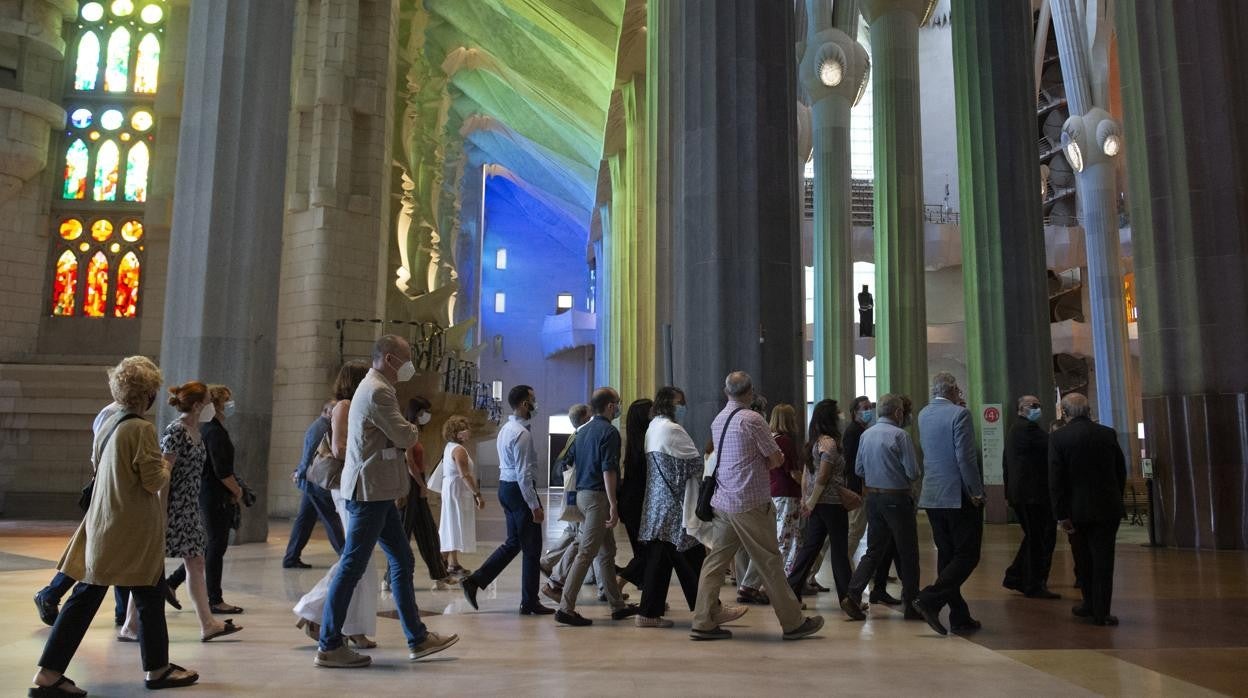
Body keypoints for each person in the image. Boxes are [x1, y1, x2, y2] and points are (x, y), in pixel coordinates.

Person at [30, 356, 199, 695]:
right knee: (89, 597)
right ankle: (48, 676)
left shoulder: (109, 421)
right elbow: (152, 482)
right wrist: (166, 465)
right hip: (130, 530)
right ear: (147, 393)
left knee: (147, 594)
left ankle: (157, 667)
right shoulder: (141, 428)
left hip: (108, 524)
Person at [316, 336, 458, 668]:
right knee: (352, 565)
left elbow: (398, 437)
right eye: (407, 358)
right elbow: (406, 436)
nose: (411, 365)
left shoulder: (376, 388)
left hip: (378, 491)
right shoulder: (378, 391)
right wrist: (408, 432)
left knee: (402, 561)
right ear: (390, 359)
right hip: (369, 493)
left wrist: (403, 434)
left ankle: (417, 638)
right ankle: (329, 643)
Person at [689, 372, 824, 642]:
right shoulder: (753, 419)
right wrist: (776, 457)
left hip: (723, 502)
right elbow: (775, 460)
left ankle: (703, 620)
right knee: (770, 562)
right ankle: (793, 622)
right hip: (750, 502)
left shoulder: (718, 420)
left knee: (715, 562)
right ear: (750, 392)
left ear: (726, 391)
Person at [636, 387, 745, 628]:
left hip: (657, 505)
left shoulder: (653, 427)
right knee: (692, 559)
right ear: (667, 403)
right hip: (676, 507)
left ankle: (649, 612)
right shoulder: (672, 429)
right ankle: (710, 609)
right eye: (679, 402)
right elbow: (695, 465)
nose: (683, 406)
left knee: (660, 560)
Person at [35, 400, 141, 628]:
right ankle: (50, 594)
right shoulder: (114, 414)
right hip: (110, 493)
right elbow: (100, 454)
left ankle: (122, 612)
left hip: (116, 494)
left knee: (117, 551)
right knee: (99, 552)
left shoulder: (124, 414)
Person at [294, 361, 377, 650]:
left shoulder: (359, 404)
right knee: (357, 560)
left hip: (360, 486)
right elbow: (341, 448)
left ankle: (345, 624)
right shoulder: (344, 406)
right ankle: (316, 611)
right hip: (347, 487)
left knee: (361, 562)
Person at [158, 381, 242, 642]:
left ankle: (207, 624)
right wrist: (161, 514)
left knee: (196, 562)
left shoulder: (196, 430)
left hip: (190, 508)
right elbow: (164, 475)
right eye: (207, 401)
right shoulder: (176, 431)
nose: (211, 406)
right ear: (196, 405)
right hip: (174, 509)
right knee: (154, 567)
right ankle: (131, 623)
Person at [462, 385, 553, 615]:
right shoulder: (522, 434)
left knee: (514, 543)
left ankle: (475, 581)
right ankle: (530, 602)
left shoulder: (506, 428)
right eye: (533, 399)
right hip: (518, 489)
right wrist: (535, 506)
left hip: (506, 487)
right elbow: (523, 475)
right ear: (524, 404)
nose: (535, 403)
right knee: (532, 548)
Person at [554, 387, 637, 626]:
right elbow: (608, 470)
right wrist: (613, 504)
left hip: (582, 494)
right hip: (597, 498)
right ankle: (565, 608)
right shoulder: (609, 432)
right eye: (618, 403)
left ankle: (617, 605)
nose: (619, 407)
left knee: (607, 551)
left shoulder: (583, 431)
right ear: (610, 406)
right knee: (586, 552)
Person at [912, 373, 985, 636]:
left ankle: (959, 616)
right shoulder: (959, 414)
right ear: (953, 389)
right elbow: (965, 458)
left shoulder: (922, 414)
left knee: (947, 553)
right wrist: (976, 491)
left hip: (933, 494)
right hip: (957, 495)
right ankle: (930, 599)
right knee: (967, 554)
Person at [842, 393, 922, 622]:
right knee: (908, 552)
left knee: (874, 550)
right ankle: (912, 604)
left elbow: (858, 469)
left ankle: (853, 593)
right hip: (897, 498)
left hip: (874, 499)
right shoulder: (900, 435)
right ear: (898, 413)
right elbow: (913, 472)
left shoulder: (866, 435)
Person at [1049, 393, 1127, 627]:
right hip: (1107, 508)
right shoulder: (1107, 434)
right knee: (1104, 560)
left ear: (1065, 412)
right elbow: (1119, 471)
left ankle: (1088, 603)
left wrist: (1061, 514)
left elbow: (1056, 479)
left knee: (1082, 558)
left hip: (1076, 511)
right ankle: (1102, 612)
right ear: (1088, 410)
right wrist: (1115, 498)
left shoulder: (1059, 438)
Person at [785, 399, 855, 603]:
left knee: (811, 548)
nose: (841, 417)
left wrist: (807, 500)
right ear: (830, 418)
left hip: (819, 504)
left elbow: (808, 475)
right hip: (831, 504)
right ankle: (848, 598)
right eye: (838, 413)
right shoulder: (829, 443)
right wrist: (811, 502)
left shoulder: (814, 442)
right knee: (839, 551)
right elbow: (823, 476)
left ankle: (791, 589)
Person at [843, 396, 900, 605]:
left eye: (870, 407)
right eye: (865, 408)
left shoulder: (864, 432)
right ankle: (848, 573)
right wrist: (859, 489)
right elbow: (853, 466)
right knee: (854, 533)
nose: (869, 411)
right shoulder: (854, 433)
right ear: (855, 411)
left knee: (874, 536)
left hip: (866, 490)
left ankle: (875, 574)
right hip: (859, 491)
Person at [1003, 394, 1060, 599]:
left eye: (1039, 404)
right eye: (1032, 405)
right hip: (1033, 495)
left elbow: (1006, 463)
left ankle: (1016, 576)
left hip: (1022, 494)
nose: (1037, 408)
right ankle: (1034, 583)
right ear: (1021, 408)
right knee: (1041, 539)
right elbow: (1052, 445)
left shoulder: (1014, 429)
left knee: (1033, 537)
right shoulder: (1028, 429)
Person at [284, 401, 346, 568]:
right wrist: (300, 472)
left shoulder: (322, 426)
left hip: (311, 482)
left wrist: (300, 471)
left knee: (304, 521)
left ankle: (291, 557)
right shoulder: (321, 427)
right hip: (315, 483)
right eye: (334, 411)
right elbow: (310, 454)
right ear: (326, 411)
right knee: (330, 519)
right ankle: (344, 554)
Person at [399, 398, 449, 583]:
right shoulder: (408, 429)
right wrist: (422, 485)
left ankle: (439, 573)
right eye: (424, 412)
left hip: (416, 483)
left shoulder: (414, 430)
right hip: (411, 486)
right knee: (403, 531)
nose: (427, 416)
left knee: (428, 531)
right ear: (417, 412)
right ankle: (390, 577)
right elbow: (409, 462)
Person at [616, 398, 654, 590]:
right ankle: (618, 584)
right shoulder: (646, 443)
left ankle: (648, 593)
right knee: (647, 554)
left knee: (645, 553)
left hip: (631, 504)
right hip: (637, 506)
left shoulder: (635, 441)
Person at [438, 415, 483, 575]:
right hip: (456, 491)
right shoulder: (458, 450)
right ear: (457, 433)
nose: (468, 431)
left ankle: (453, 563)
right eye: (465, 429)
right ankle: (440, 563)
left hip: (453, 489)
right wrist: (477, 494)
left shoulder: (450, 446)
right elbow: (464, 474)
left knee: (453, 525)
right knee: (454, 525)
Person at [768, 403, 803, 576]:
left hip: (774, 491)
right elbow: (794, 473)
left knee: (784, 535)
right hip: (788, 493)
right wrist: (807, 486)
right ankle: (783, 576)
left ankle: (789, 573)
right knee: (786, 537)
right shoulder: (785, 441)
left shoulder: (771, 439)